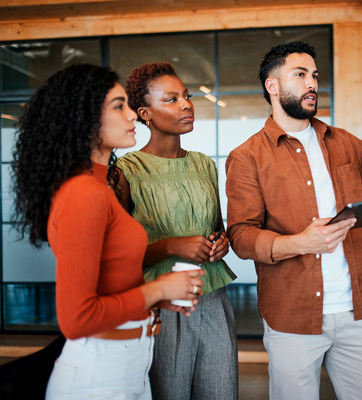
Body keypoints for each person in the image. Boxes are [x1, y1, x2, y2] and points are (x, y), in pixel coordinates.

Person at [225, 41, 362, 399]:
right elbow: (241, 236)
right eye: (300, 74)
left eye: (314, 75)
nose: (312, 83)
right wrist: (298, 243)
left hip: (356, 311)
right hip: (291, 316)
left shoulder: (342, 142)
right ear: (272, 85)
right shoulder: (246, 157)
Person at [12, 63, 204, 399]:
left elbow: (111, 278)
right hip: (98, 374)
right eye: (119, 106)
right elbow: (77, 318)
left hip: (125, 364)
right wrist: (158, 289)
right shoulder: (83, 193)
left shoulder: (100, 187)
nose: (133, 116)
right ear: (83, 119)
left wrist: (155, 297)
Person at [117, 62, 238, 400]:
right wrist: (170, 246)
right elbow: (116, 256)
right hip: (161, 303)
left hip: (213, 296)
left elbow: (215, 228)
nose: (186, 104)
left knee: (221, 391)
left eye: (186, 95)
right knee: (168, 392)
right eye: (171, 99)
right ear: (145, 113)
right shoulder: (127, 171)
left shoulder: (204, 164)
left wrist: (220, 243)